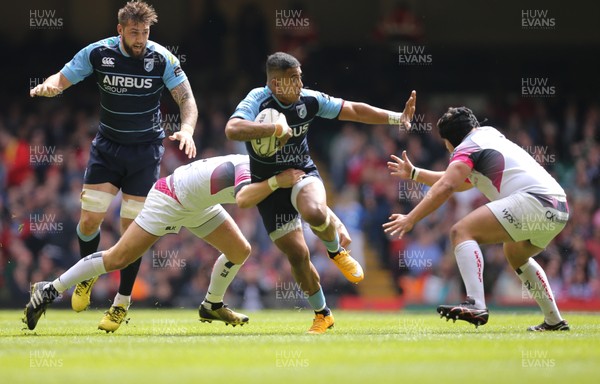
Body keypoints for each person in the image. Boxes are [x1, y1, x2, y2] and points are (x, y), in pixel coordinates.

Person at [29, 1, 198, 331]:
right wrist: (51, 86)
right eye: (134, 33)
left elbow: (186, 98)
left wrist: (188, 128)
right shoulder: (97, 54)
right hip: (107, 149)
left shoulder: (162, 58)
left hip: (145, 153)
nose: (140, 39)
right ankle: (85, 276)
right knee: (90, 220)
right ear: (119, 30)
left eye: (145, 33)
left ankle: (121, 303)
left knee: (130, 235)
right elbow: (62, 77)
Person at [225, 51, 416, 333]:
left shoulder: (310, 100)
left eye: (301, 76)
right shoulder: (257, 100)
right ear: (276, 85)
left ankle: (335, 252)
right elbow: (232, 129)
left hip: (303, 173)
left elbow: (353, 110)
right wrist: (272, 129)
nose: (301, 83)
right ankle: (323, 314)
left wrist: (396, 117)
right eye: (294, 78)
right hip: (270, 187)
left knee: (314, 211)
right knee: (298, 256)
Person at [23, 154, 306, 332]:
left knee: (239, 250)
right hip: (170, 198)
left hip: (198, 203)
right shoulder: (252, 173)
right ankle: (49, 289)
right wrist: (276, 186)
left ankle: (211, 305)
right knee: (118, 258)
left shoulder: (262, 170)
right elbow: (245, 200)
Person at [384, 107, 570, 331]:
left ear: (450, 142)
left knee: (461, 231)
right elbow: (462, 182)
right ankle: (554, 320)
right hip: (558, 207)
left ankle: (476, 303)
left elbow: (448, 185)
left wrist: (411, 218)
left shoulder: (466, 147)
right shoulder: (488, 136)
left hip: (535, 202)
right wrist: (415, 173)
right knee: (515, 253)